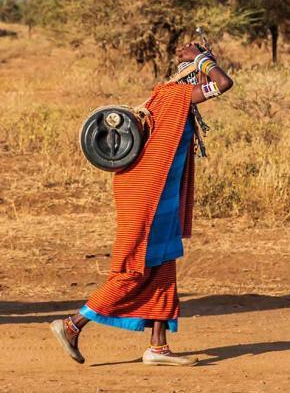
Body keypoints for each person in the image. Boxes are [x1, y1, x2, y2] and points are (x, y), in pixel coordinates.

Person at [50, 42, 233, 367]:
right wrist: (202, 60)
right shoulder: (171, 96)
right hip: (146, 199)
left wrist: (203, 59)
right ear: (190, 75)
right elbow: (223, 83)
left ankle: (158, 348)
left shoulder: (177, 104)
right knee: (132, 270)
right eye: (199, 72)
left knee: (163, 268)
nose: (203, 81)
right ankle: (72, 324)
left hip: (162, 200)